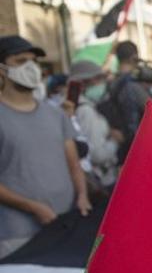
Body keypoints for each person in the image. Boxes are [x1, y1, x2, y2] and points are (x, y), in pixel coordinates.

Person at [0, 36, 91, 259]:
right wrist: (32, 207)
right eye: (21, 61)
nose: (31, 67)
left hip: (65, 226)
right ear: (2, 70)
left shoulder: (55, 114)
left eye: (34, 61)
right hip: (17, 235)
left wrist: (82, 195)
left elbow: (73, 164)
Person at [66, 61, 120, 190]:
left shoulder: (75, 107)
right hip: (100, 180)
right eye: (99, 79)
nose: (103, 84)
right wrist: (114, 141)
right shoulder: (85, 111)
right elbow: (97, 155)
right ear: (83, 84)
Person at [99, 41, 152, 163]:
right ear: (134, 58)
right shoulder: (133, 86)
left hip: (118, 149)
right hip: (137, 149)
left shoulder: (110, 84)